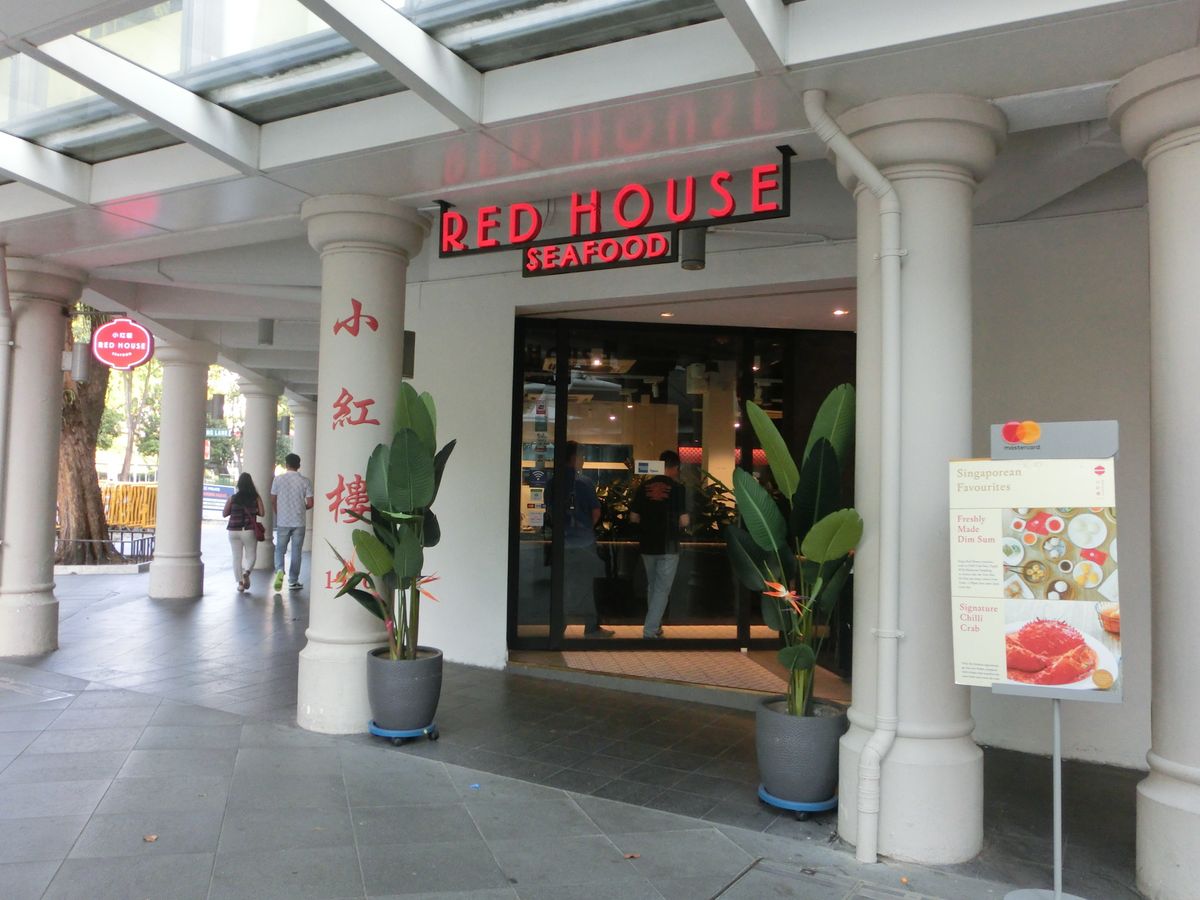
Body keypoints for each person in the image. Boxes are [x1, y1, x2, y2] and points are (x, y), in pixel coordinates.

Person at [630, 450, 689, 639]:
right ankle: (650, 631)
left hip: (647, 545)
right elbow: (684, 520)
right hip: (668, 545)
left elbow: (633, 517)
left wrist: (649, 522)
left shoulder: (644, 486)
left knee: (653, 587)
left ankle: (655, 627)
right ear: (675, 467)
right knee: (662, 589)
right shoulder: (678, 488)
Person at [558, 441, 613, 637]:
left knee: (562, 585)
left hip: (562, 542)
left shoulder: (553, 482)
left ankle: (558, 626)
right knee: (589, 586)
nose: (583, 460)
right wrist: (586, 528)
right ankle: (591, 627)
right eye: (581, 456)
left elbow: (550, 512)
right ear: (574, 458)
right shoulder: (584, 482)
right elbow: (596, 512)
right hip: (584, 543)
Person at [270, 453, 314, 591]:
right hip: (299, 522)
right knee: (296, 552)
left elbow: (273, 499)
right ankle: (293, 581)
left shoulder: (278, 480)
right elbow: (310, 503)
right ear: (299, 465)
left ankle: (279, 570)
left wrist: (278, 512)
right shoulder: (305, 481)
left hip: (283, 520)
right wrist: (301, 507)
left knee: (280, 549)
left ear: (286, 464)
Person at [223, 473, 263, 593]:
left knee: (236, 557)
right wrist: (254, 510)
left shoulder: (233, 498)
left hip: (233, 531)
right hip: (248, 530)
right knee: (251, 555)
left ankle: (240, 584)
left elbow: (224, 513)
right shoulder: (256, 498)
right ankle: (247, 572)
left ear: (239, 484)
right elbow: (262, 513)